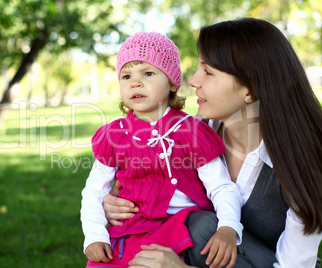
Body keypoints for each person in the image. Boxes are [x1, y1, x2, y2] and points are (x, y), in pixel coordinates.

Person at [103, 18, 322, 268]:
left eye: (208, 71)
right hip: (211, 257)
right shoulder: (192, 133)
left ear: (250, 88)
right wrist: (116, 204)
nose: (194, 80)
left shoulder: (305, 160)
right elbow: (150, 185)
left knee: (201, 227)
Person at [80, 32, 244, 268]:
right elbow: (94, 191)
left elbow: (221, 186)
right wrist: (94, 236)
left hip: (178, 230)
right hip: (130, 230)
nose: (135, 82)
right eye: (126, 76)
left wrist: (228, 227)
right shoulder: (115, 136)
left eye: (148, 73)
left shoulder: (191, 131)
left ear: (172, 82)